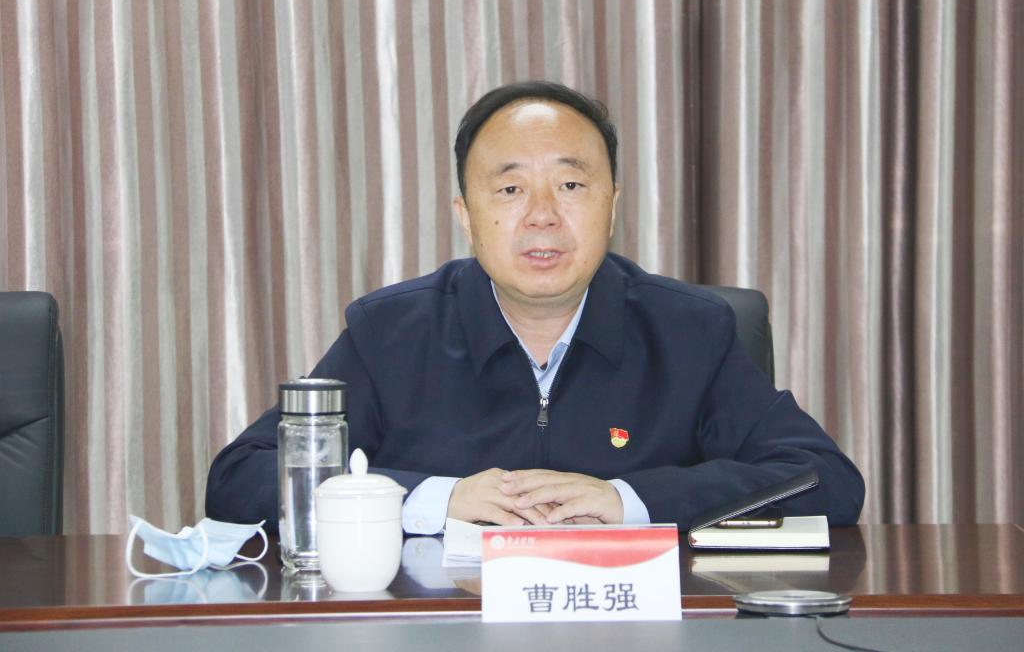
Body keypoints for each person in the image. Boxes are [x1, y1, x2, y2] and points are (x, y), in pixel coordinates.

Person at [206, 81, 864, 534]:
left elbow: (823, 480)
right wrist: (437, 499)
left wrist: (629, 500)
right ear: (466, 215)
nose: (543, 215)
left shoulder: (690, 331)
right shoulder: (390, 332)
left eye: (571, 184)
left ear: (612, 206)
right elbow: (241, 478)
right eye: (511, 189)